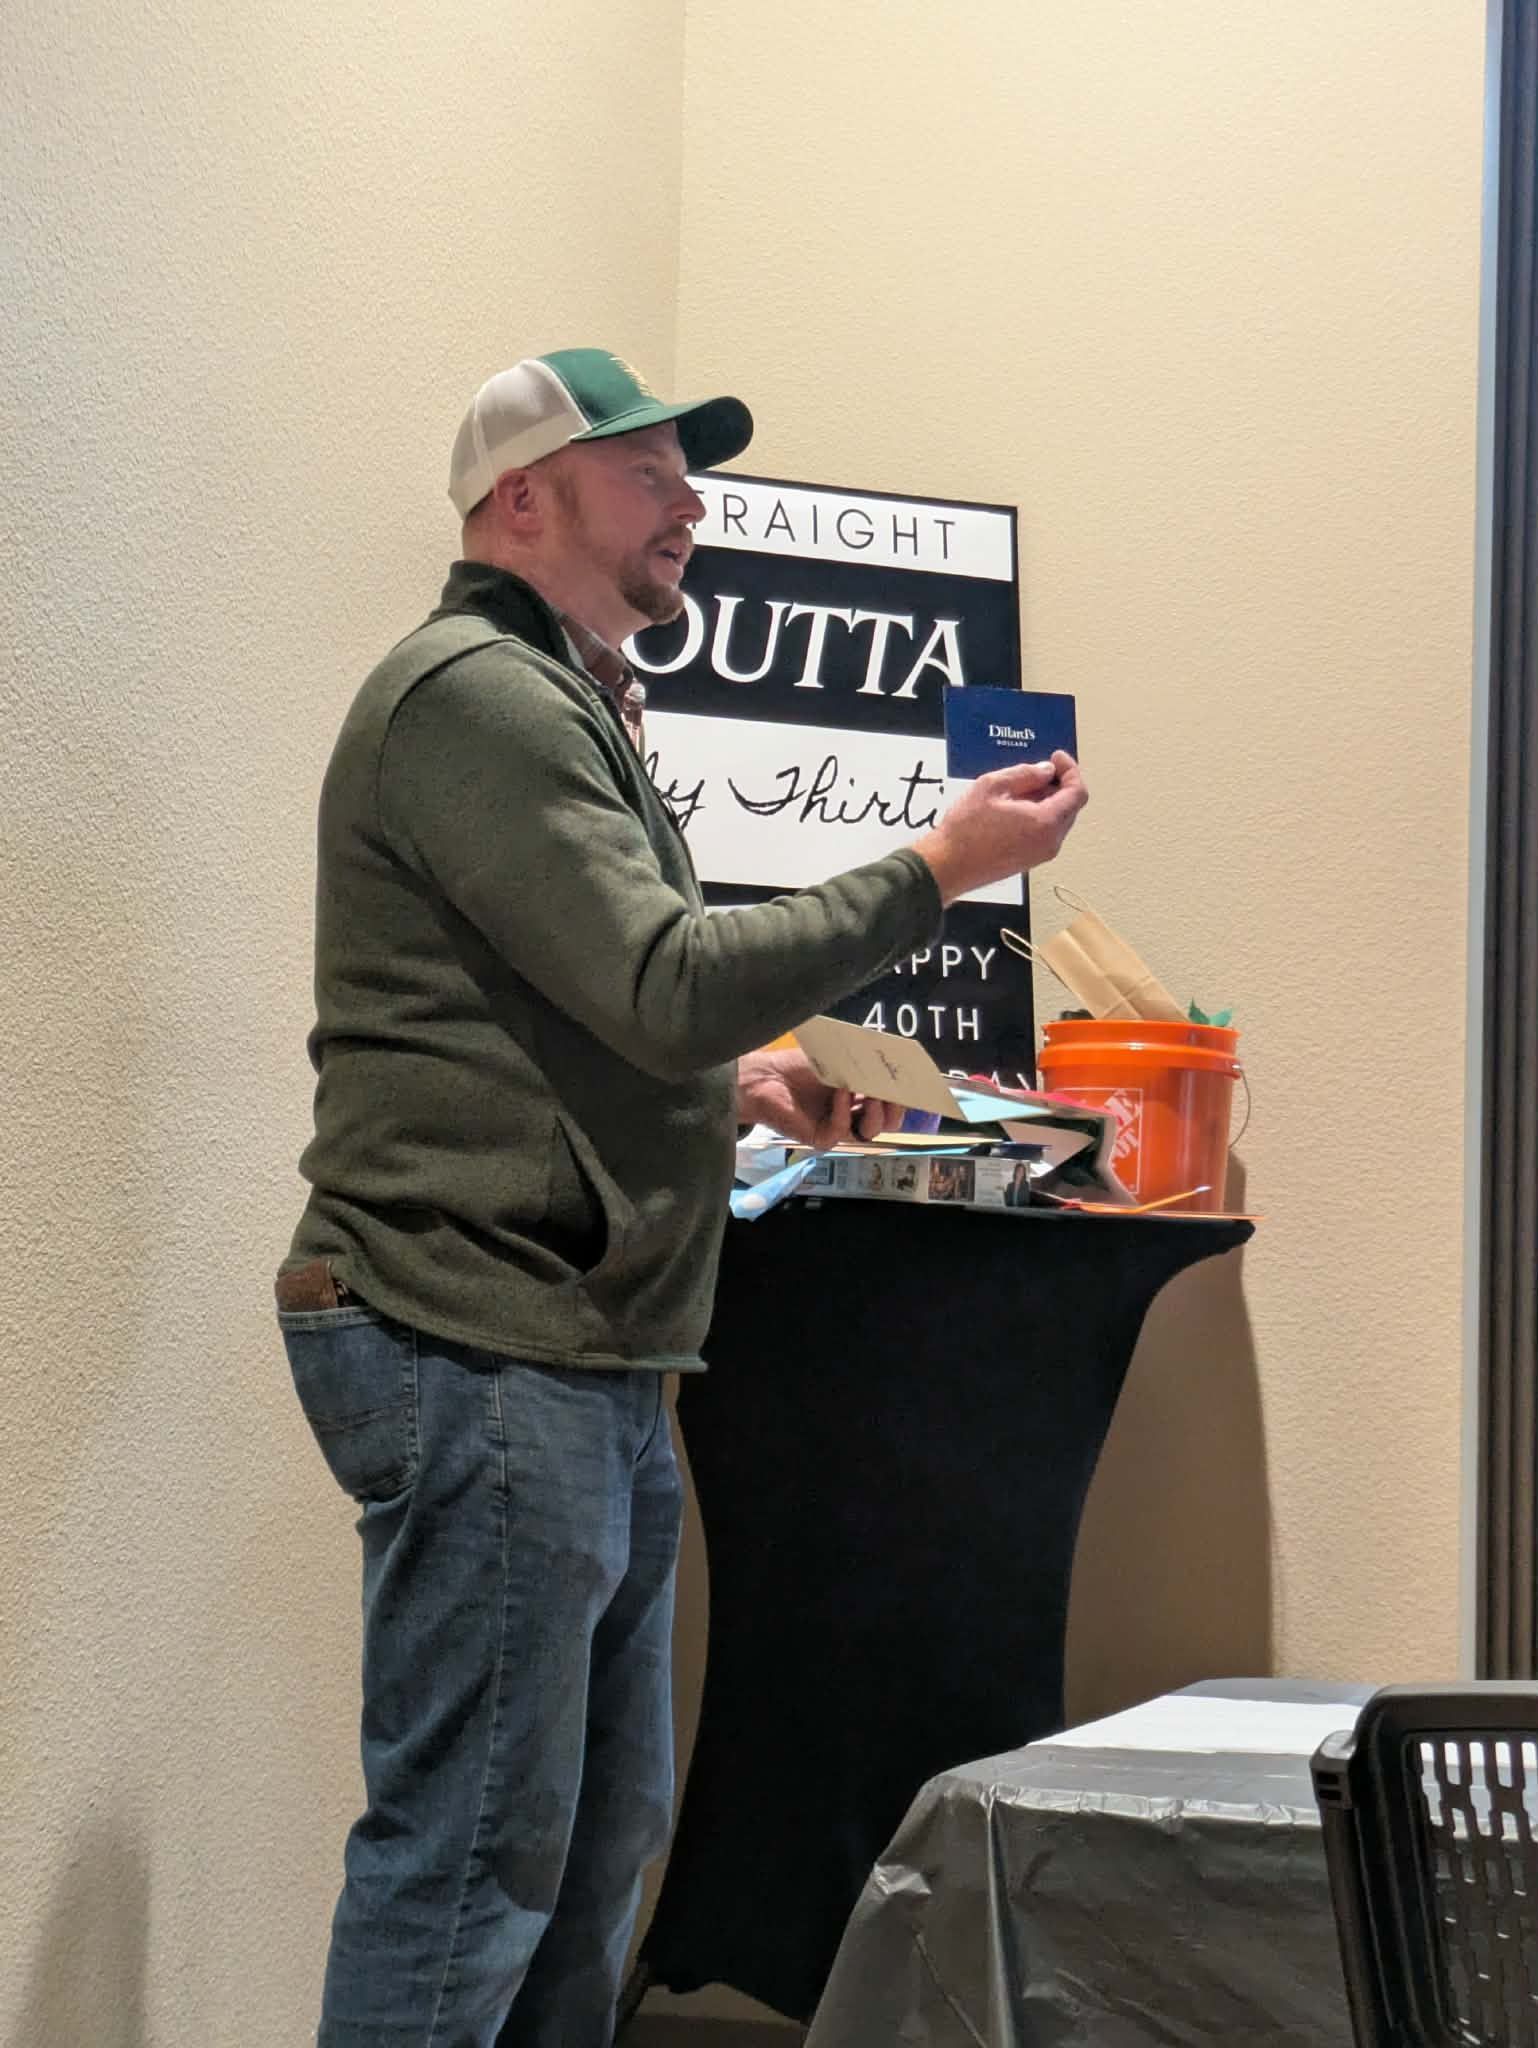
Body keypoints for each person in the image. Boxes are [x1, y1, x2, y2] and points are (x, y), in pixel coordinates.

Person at [275, 346, 1088, 2048]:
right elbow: (662, 981)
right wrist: (937, 865)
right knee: (475, 1860)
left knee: (586, 1854)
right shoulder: (477, 699)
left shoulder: (560, 698)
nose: (691, 508)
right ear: (524, 500)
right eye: (645, 474)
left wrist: (736, 1091)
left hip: (580, 1345)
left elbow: (583, 1014)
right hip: (475, 1331)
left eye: (684, 477)